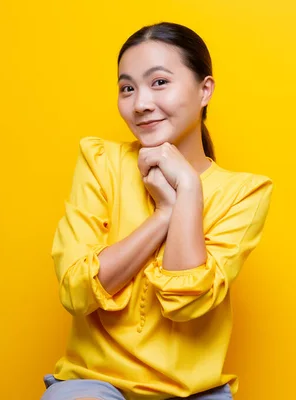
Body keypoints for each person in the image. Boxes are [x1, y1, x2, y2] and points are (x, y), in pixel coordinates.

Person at [41, 22, 273, 400]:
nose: (141, 103)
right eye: (127, 88)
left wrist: (190, 189)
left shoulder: (244, 193)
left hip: (194, 392)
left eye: (159, 82)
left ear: (205, 90)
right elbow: (76, 291)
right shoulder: (101, 161)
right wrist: (164, 215)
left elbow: (186, 305)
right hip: (95, 384)